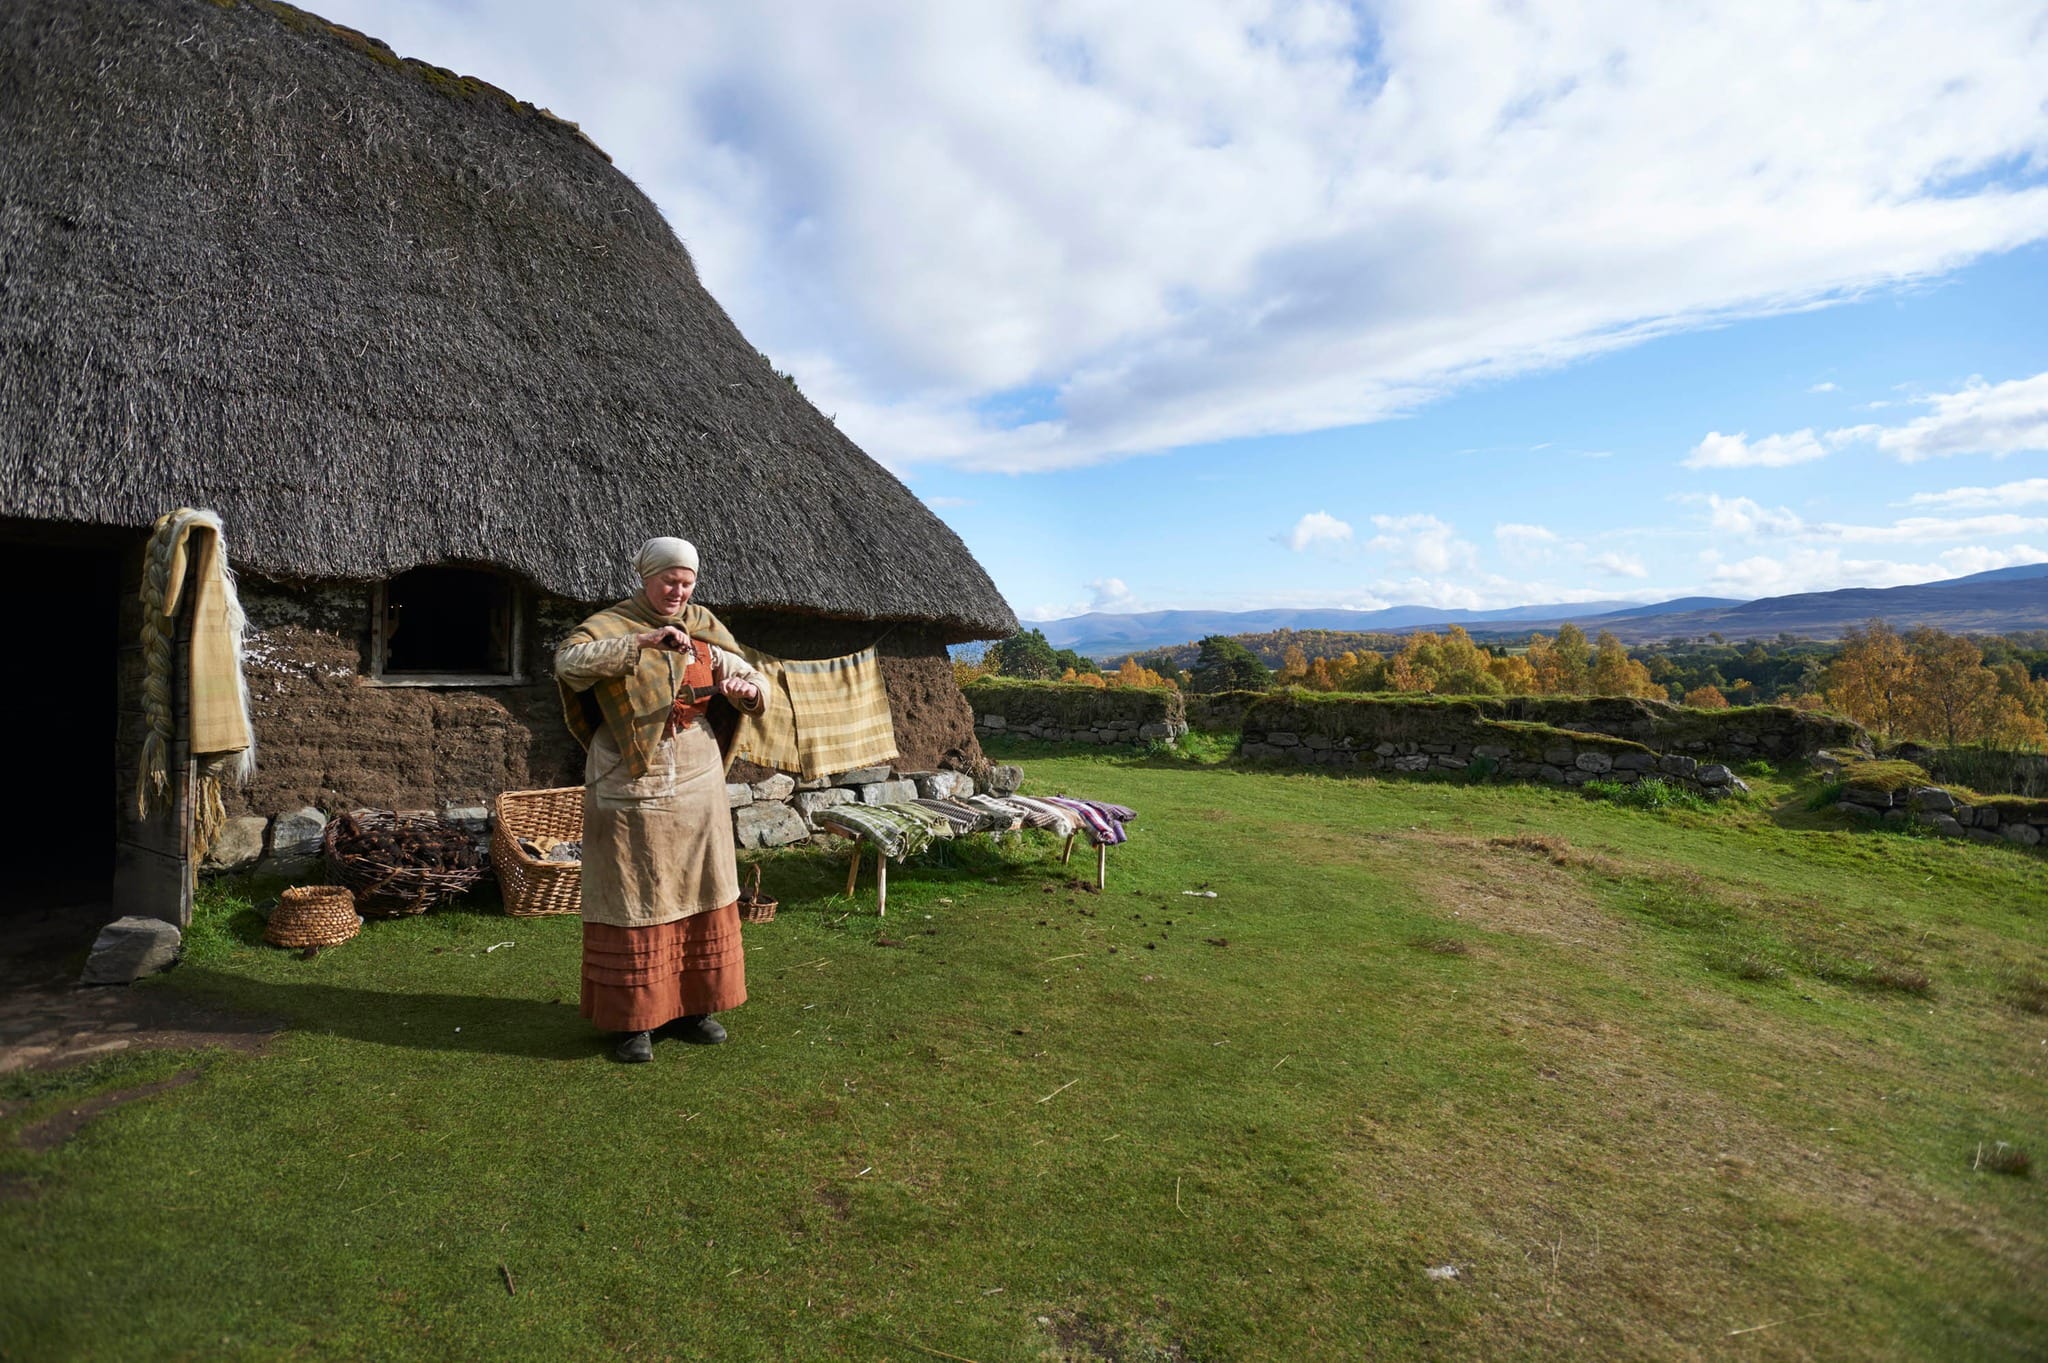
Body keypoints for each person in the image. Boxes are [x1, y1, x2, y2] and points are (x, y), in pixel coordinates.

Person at [554, 536, 766, 1063]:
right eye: (669, 580)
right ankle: (634, 1022)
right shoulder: (613, 624)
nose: (678, 590)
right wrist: (644, 641)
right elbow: (568, 664)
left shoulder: (705, 626)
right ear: (645, 577)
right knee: (636, 885)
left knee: (701, 882)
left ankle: (695, 1007)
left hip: (696, 771)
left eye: (687, 582)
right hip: (628, 775)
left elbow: (747, 672)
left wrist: (747, 690)